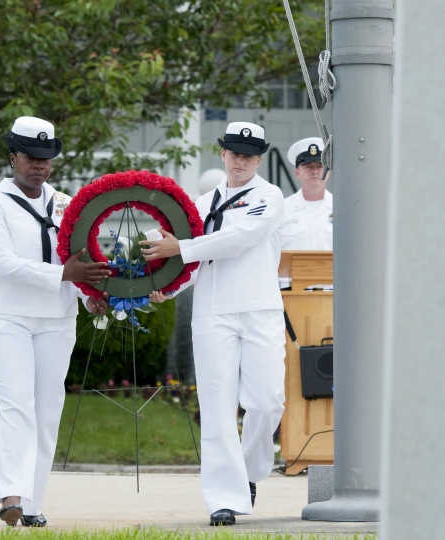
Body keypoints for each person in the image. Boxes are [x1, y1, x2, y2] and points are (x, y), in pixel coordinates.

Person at [141, 122, 286, 526]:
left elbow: (237, 239)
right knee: (218, 406)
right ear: (222, 154)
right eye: (233, 153)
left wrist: (180, 247)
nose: (239, 161)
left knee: (267, 400)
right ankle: (223, 498)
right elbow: (189, 263)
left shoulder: (269, 196)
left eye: (248, 155)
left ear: (258, 160)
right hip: (212, 312)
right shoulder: (201, 205)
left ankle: (248, 470)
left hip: (259, 309)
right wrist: (164, 289)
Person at [0, 116, 110, 527]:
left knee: (48, 408)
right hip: (5, 316)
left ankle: (31, 502)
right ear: (12, 157)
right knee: (15, 404)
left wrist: (91, 297)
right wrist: (64, 276)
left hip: (56, 317)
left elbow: (81, 260)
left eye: (46, 159)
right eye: (31, 158)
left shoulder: (68, 204)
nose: (39, 166)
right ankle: (10, 493)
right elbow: (1, 264)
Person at [281, 137, 333, 250]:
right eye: (308, 166)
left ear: (328, 172)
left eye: (320, 166)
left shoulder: (342, 209)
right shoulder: (282, 209)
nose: (314, 171)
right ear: (297, 172)